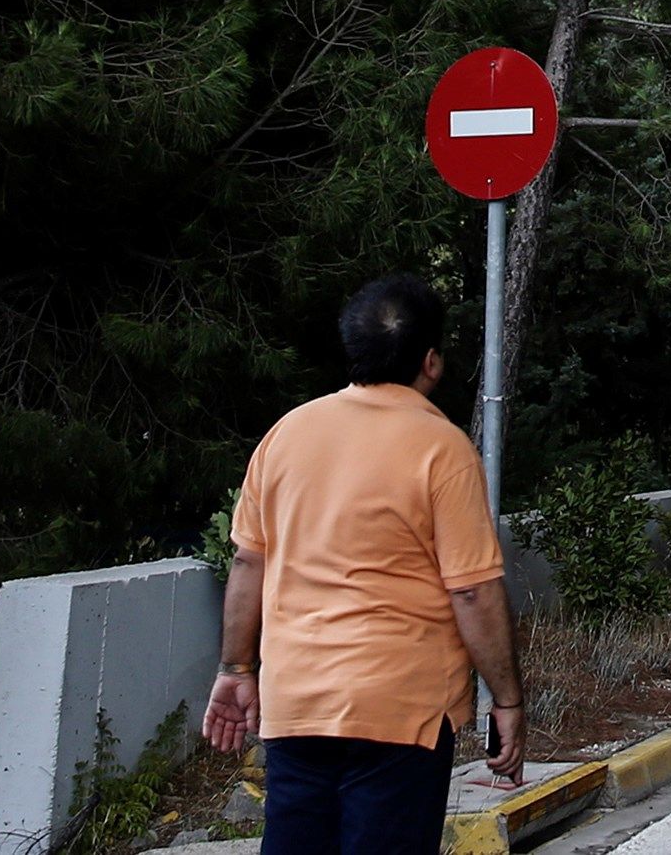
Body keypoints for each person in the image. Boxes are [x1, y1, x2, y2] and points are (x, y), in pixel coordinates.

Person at [205, 276, 523, 855]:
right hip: (402, 714)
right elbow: (473, 592)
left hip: (296, 705)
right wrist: (506, 700)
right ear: (430, 361)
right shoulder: (444, 448)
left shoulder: (286, 435)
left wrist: (235, 668)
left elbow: (249, 564)